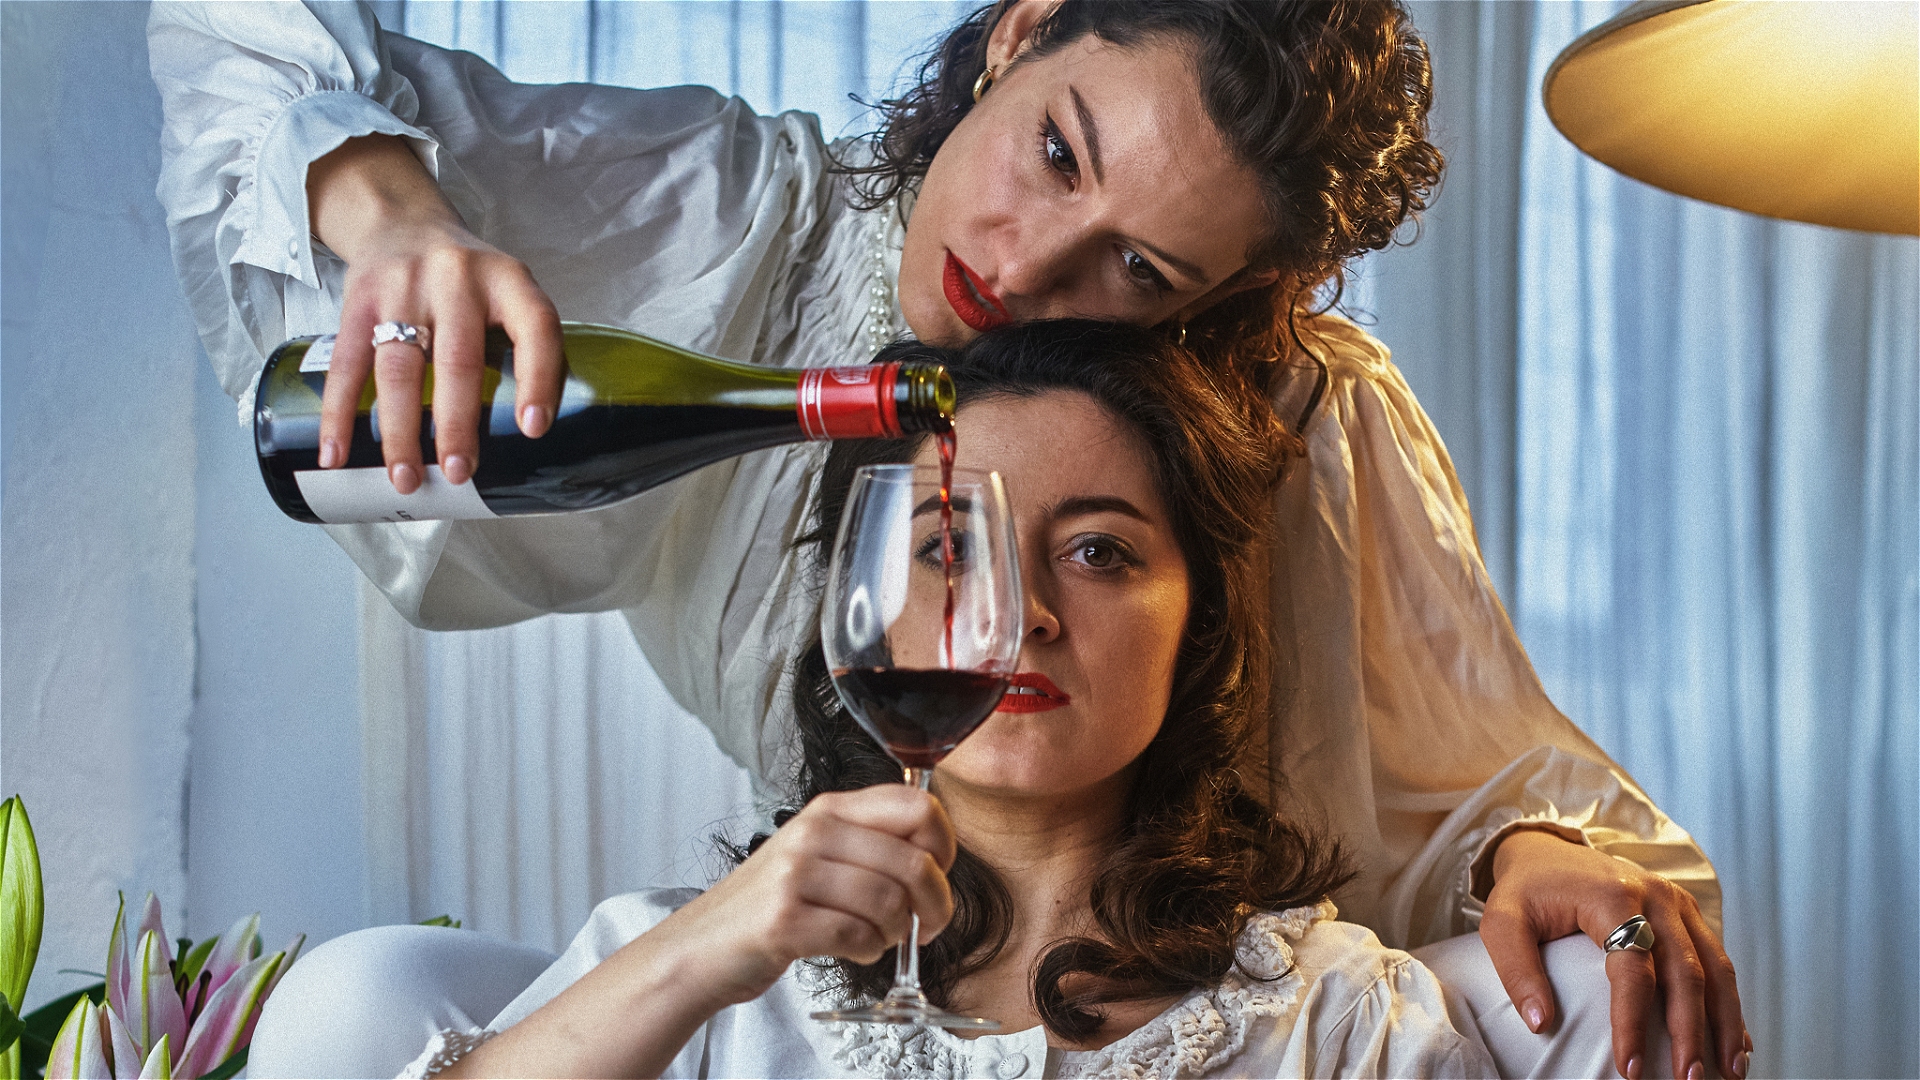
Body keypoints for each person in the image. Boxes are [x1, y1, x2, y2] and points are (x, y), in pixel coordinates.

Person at [149, 2, 1747, 1077]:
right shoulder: (725, 233)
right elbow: (240, 33)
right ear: (1023, 30)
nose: (1028, 266)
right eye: (1057, 152)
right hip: (855, 935)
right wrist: (391, 215)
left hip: (1204, 968)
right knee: (360, 1003)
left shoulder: (1297, 420)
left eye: (1140, 269)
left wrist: (1525, 850)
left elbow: (1483, 765)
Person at [258, 320, 1499, 1078]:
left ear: (1204, 628)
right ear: (857, 605)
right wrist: (699, 955)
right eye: (951, 547)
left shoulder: (1344, 1023)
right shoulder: (697, 979)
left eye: (1099, 551)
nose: (1019, 613)